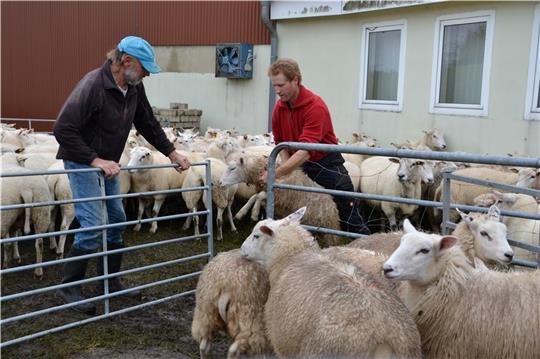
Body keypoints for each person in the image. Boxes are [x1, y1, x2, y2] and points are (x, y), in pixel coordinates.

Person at [53, 36, 190, 315]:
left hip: (110, 164)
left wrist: (172, 153)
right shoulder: (93, 85)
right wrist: (95, 159)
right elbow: (63, 128)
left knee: (117, 220)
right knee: (93, 225)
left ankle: (110, 281)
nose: (148, 74)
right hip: (83, 161)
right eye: (145, 68)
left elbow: (147, 122)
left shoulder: (133, 88)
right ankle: (69, 286)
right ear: (126, 61)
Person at [260, 58, 370, 236]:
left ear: (295, 80)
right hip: (298, 165)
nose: (277, 91)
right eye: (274, 86)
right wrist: (290, 174)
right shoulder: (278, 109)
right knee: (297, 209)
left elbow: (305, 152)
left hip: (324, 164)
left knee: (347, 209)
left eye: (281, 85)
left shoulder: (315, 106)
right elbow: (282, 146)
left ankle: (365, 250)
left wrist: (276, 173)